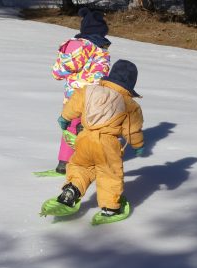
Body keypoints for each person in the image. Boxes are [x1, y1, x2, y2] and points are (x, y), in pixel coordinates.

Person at [41, 59, 145, 225]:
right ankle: (110, 208)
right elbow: (132, 130)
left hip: (84, 138)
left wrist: (64, 117)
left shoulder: (90, 90)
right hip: (107, 144)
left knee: (81, 167)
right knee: (109, 174)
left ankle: (71, 190)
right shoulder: (130, 105)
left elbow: (74, 102)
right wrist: (138, 145)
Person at [52, 7, 111, 174]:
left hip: (70, 97)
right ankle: (83, 163)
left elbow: (58, 72)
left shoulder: (71, 47)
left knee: (69, 127)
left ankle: (63, 162)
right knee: (88, 130)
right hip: (89, 97)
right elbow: (101, 75)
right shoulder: (98, 49)